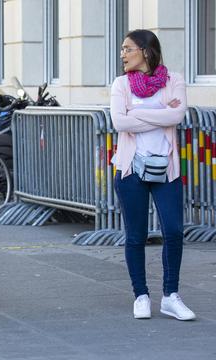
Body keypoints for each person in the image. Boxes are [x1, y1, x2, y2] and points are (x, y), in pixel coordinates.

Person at [110, 29, 195, 321]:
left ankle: (171, 296)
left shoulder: (174, 80)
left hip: (166, 169)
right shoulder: (121, 84)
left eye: (127, 48)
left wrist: (138, 115)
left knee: (173, 230)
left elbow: (177, 116)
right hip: (131, 169)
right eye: (122, 49)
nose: (122, 54)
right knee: (136, 235)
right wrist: (160, 111)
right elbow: (119, 122)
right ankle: (141, 295)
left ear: (145, 51)